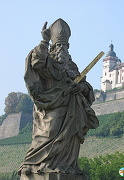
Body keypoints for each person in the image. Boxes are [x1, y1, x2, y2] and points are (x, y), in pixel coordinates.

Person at [18, 18, 99, 176]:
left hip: (72, 109)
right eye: (59, 45)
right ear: (53, 47)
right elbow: (36, 62)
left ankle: (67, 166)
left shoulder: (72, 65)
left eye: (65, 46)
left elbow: (86, 86)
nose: (62, 49)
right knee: (48, 132)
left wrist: (80, 87)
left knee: (71, 139)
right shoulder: (48, 61)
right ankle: (33, 163)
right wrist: (44, 41)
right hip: (51, 106)